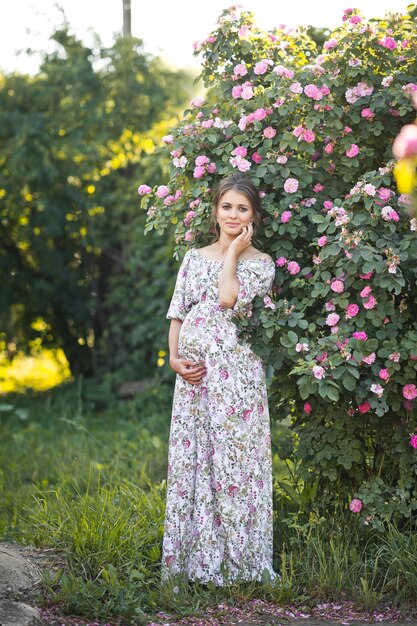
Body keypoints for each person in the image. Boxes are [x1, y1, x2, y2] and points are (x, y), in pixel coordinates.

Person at [161, 173, 278, 586]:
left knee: (234, 463)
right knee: (197, 461)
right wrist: (175, 359)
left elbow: (228, 299)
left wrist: (233, 254)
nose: (233, 214)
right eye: (226, 206)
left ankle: (240, 563)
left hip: (237, 378)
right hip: (194, 377)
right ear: (215, 211)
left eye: (242, 208)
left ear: (253, 217)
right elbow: (178, 313)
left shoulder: (261, 264)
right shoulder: (193, 258)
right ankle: (195, 563)